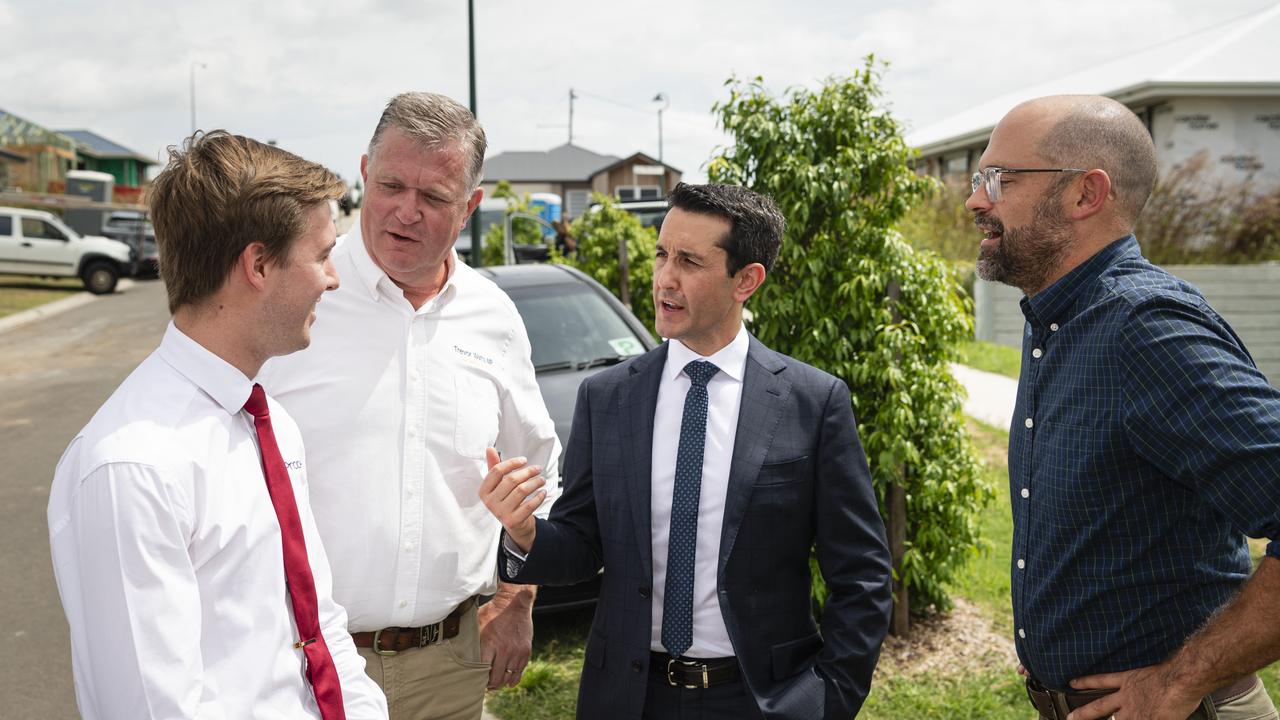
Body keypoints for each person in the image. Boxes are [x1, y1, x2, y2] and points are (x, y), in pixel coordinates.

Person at [480, 181, 893, 720]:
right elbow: (584, 545)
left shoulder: (813, 402)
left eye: (690, 261)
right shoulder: (607, 397)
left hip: (760, 699)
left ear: (746, 280)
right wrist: (527, 533)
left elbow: (862, 575)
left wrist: (824, 701)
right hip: (628, 699)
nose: (664, 279)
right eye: (661, 254)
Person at [47, 131, 388, 719]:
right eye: (321, 254)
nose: (333, 278)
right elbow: (153, 710)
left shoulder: (271, 421)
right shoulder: (133, 465)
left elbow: (318, 623)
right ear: (257, 264)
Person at [966, 94, 1280, 720]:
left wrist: (1176, 679)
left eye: (998, 179)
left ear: (1086, 194)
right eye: (979, 179)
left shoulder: (1143, 327)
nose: (976, 199)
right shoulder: (1056, 316)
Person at [258, 92, 561, 720]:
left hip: (447, 669)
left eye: (435, 198)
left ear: (470, 206)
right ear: (364, 174)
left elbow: (537, 469)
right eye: (392, 185)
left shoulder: (494, 315)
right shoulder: (293, 294)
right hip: (299, 665)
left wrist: (519, 596)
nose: (406, 212)